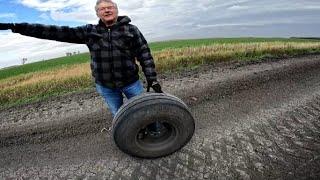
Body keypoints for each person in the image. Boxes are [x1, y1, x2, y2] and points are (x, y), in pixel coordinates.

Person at [0, 0, 163, 118]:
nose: (107, 10)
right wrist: (16, 26)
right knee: (119, 115)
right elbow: (55, 31)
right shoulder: (89, 31)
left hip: (131, 83)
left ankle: (158, 135)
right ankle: (130, 139)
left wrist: (152, 79)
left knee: (145, 112)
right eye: (102, 9)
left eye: (110, 7)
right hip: (106, 87)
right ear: (97, 13)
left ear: (116, 10)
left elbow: (144, 54)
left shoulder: (131, 30)